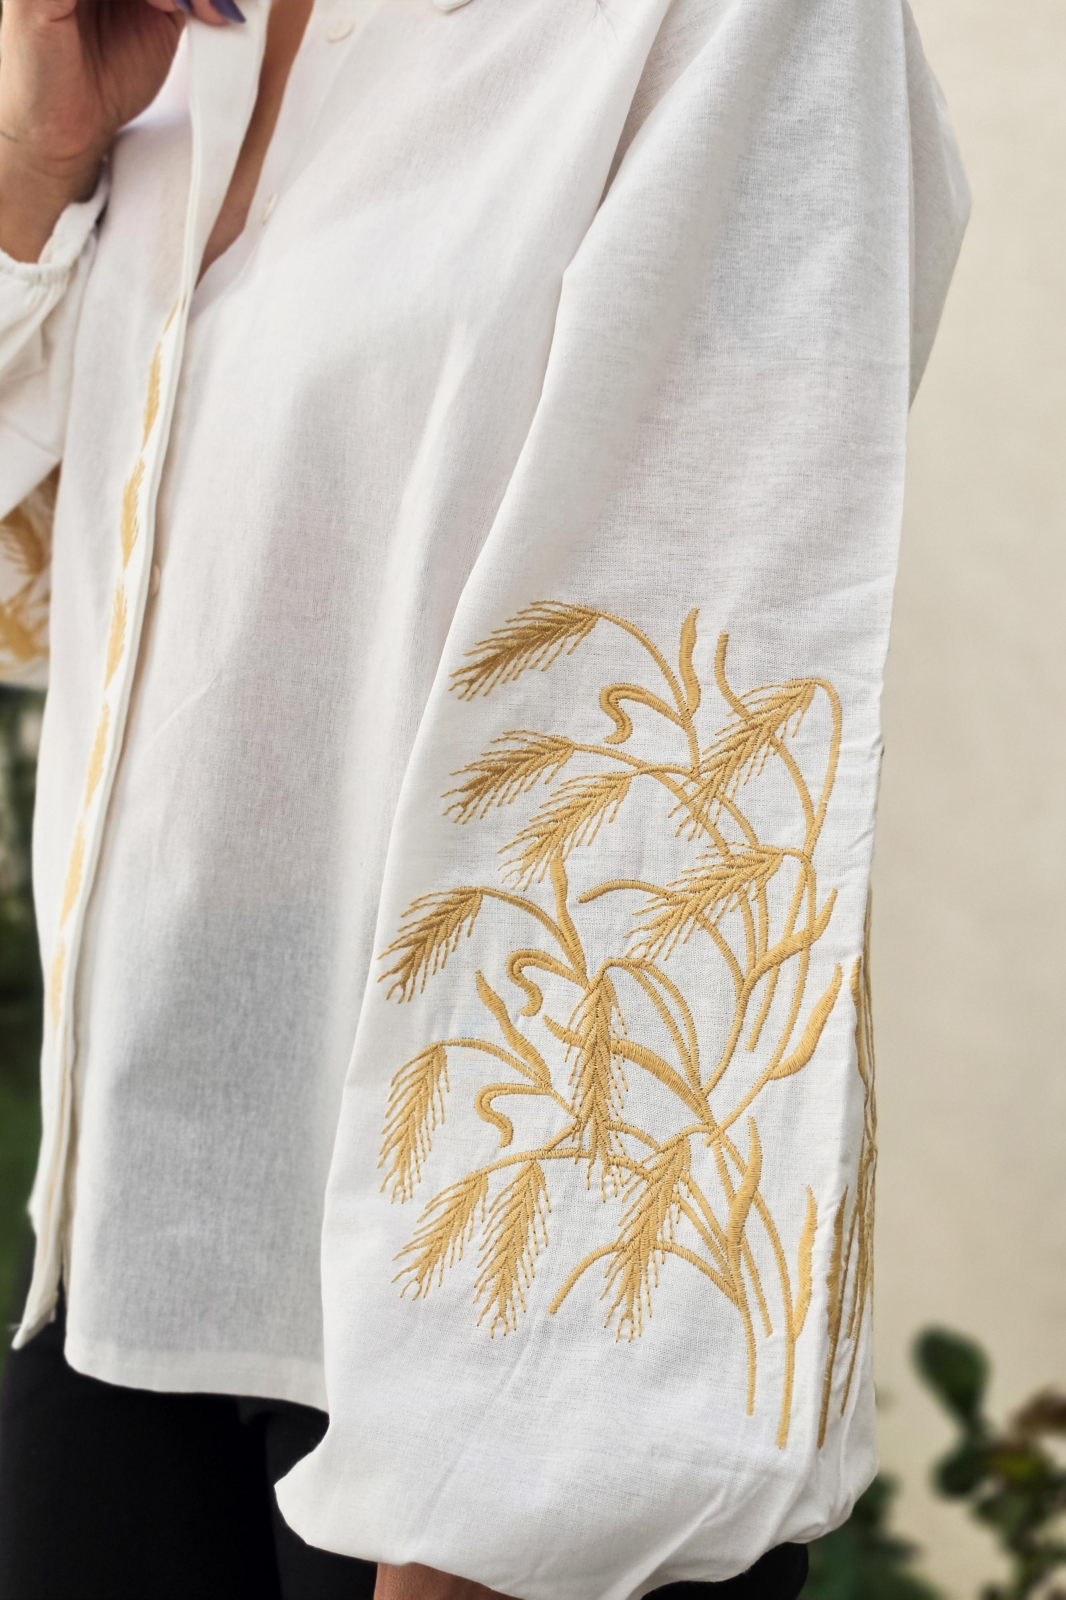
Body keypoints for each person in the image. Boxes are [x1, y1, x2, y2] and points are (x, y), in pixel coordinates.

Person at [0, 0, 969, 1594]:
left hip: (493, 1343)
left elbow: (680, 750)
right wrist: (35, 162)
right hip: (136, 1248)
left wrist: (501, 1521)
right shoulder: (173, 43)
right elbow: (37, 599)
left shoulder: (735, 25)